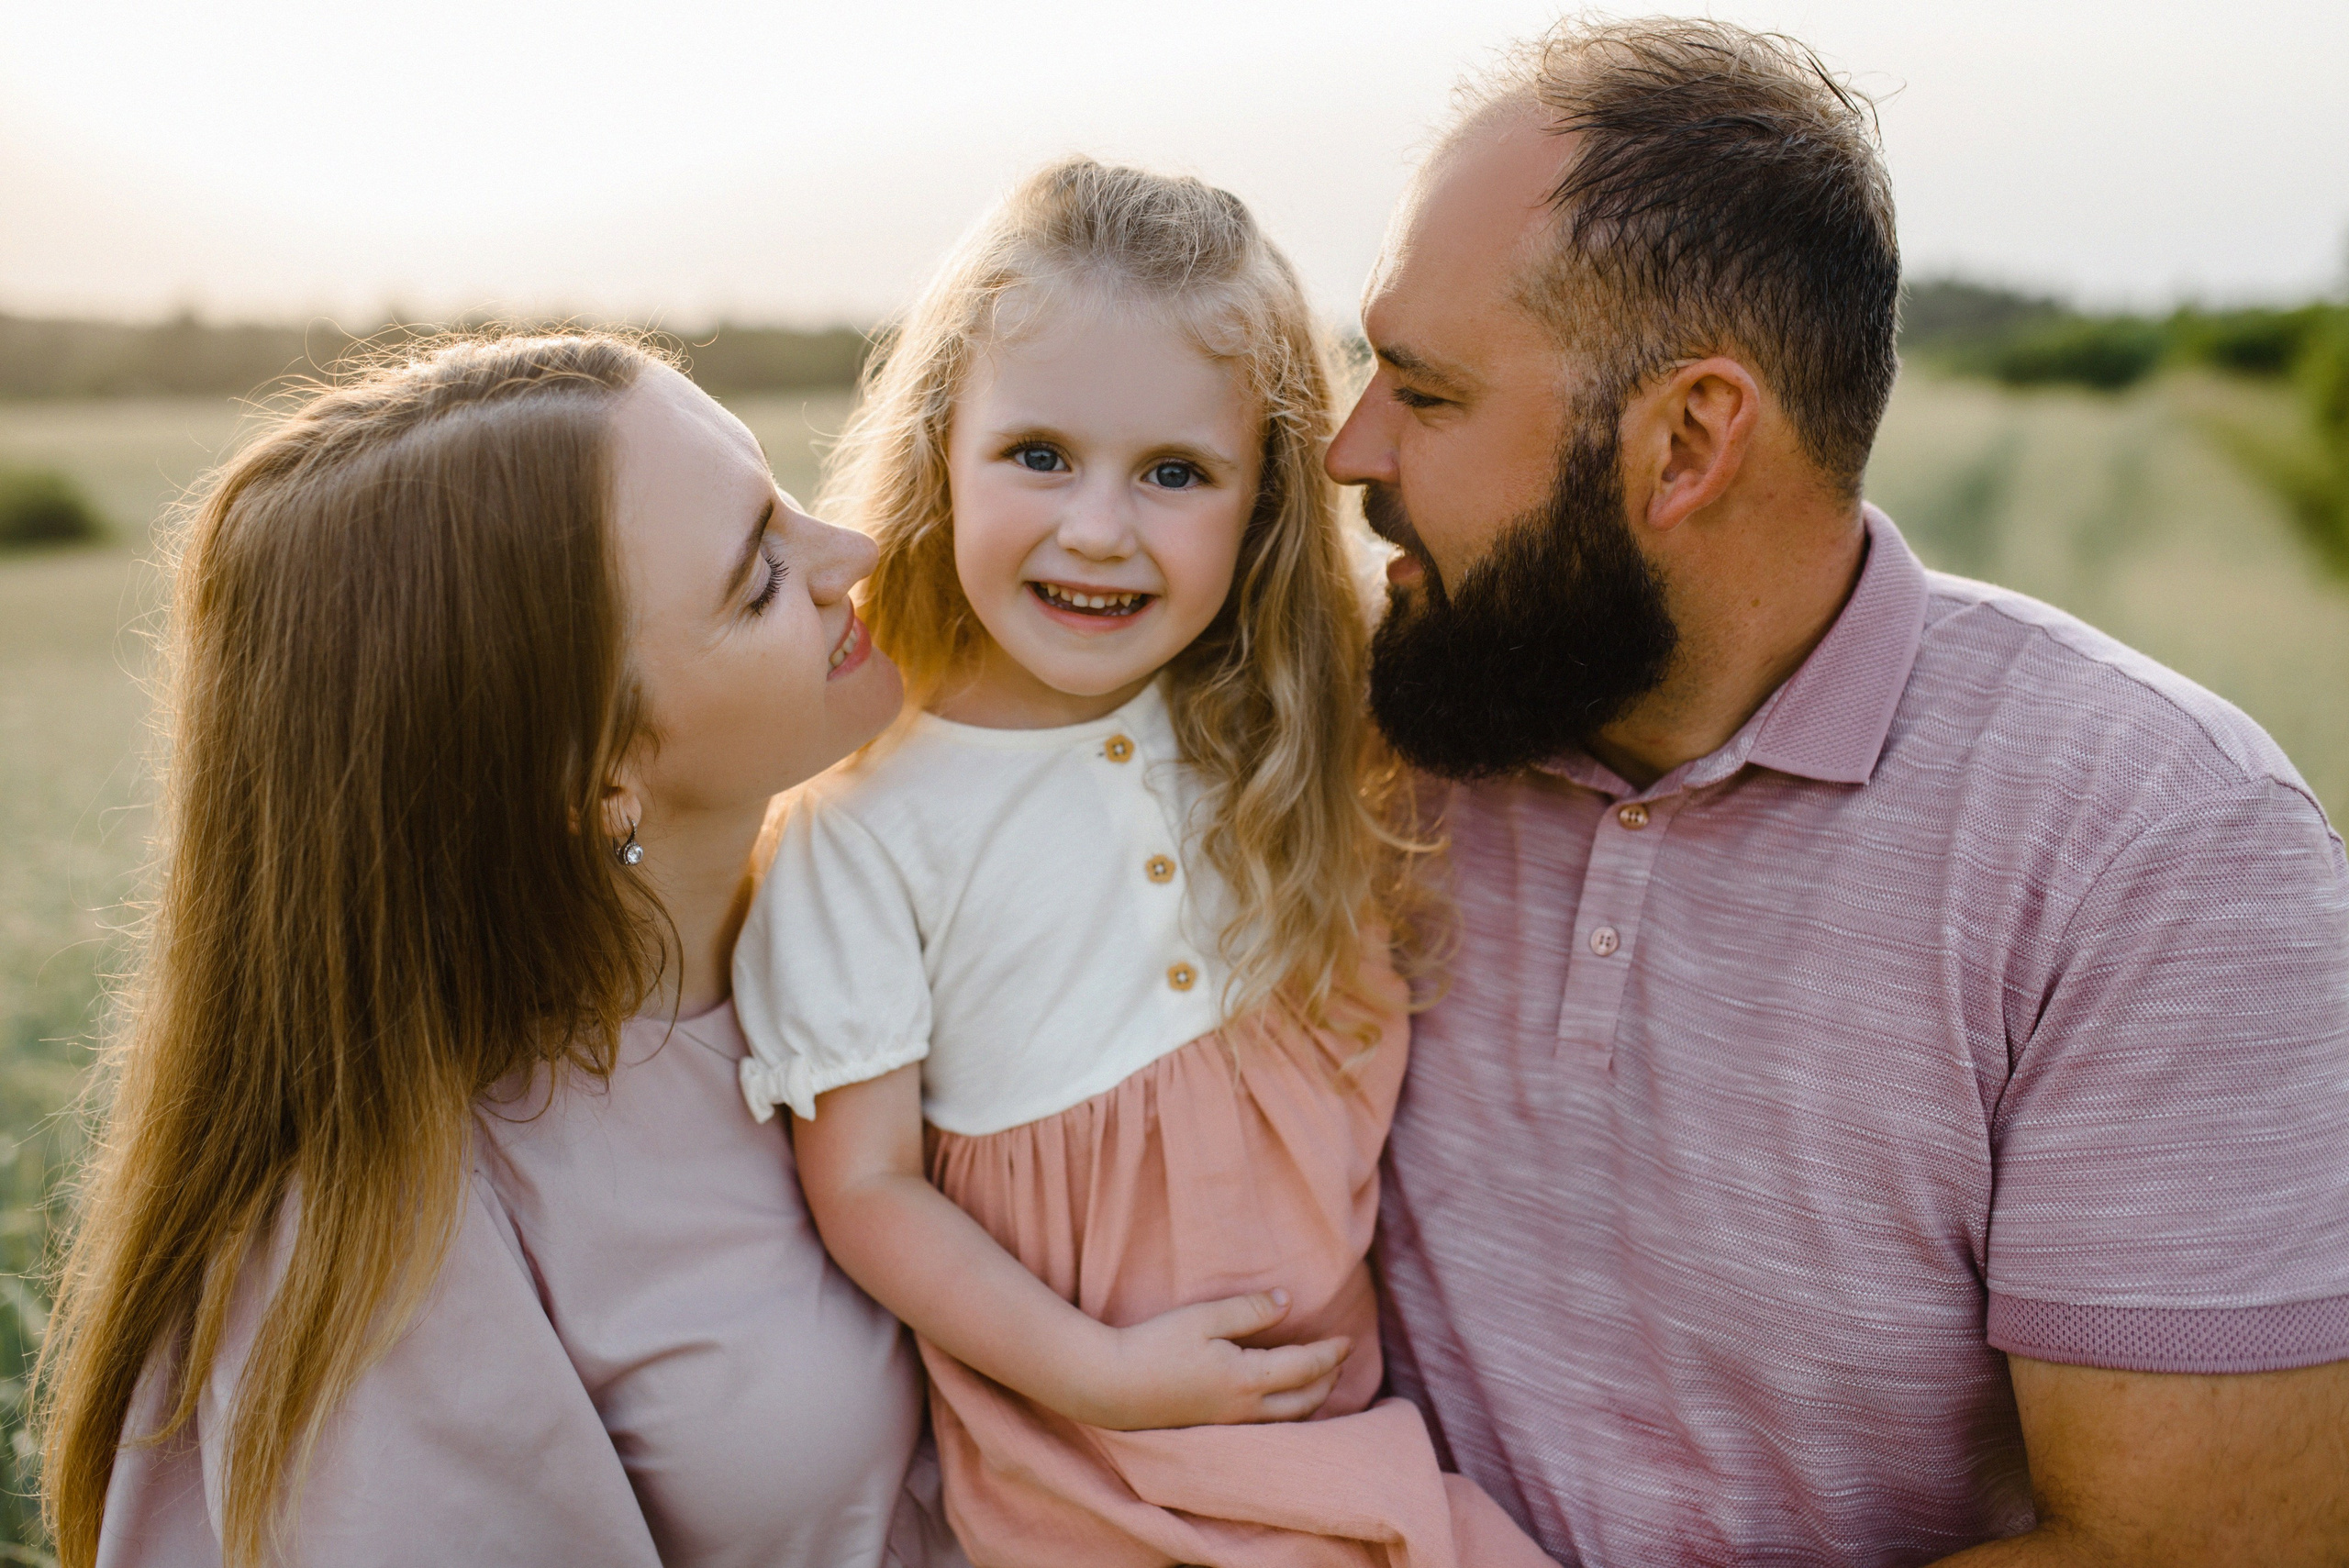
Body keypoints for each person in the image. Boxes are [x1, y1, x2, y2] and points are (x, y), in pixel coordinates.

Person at [1330, 17, 2349, 1566]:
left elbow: (2191, 1545)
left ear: (1686, 440)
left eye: (1425, 389)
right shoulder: (1394, 722)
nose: (1351, 447)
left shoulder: (2159, 852)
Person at [729, 159, 1553, 1568]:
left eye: (1175, 473)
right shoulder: (864, 822)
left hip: (1332, 1419)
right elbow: (866, 1185)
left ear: (1261, 504)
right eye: (1039, 453)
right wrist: (1095, 1371)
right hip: (1097, 1459)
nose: (1098, 528)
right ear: (942, 448)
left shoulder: (1279, 725)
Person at [36, 332, 963, 1568]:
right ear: (593, 780)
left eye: (782, 493)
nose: (855, 553)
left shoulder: (887, 906)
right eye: (758, 577)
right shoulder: (387, 1243)